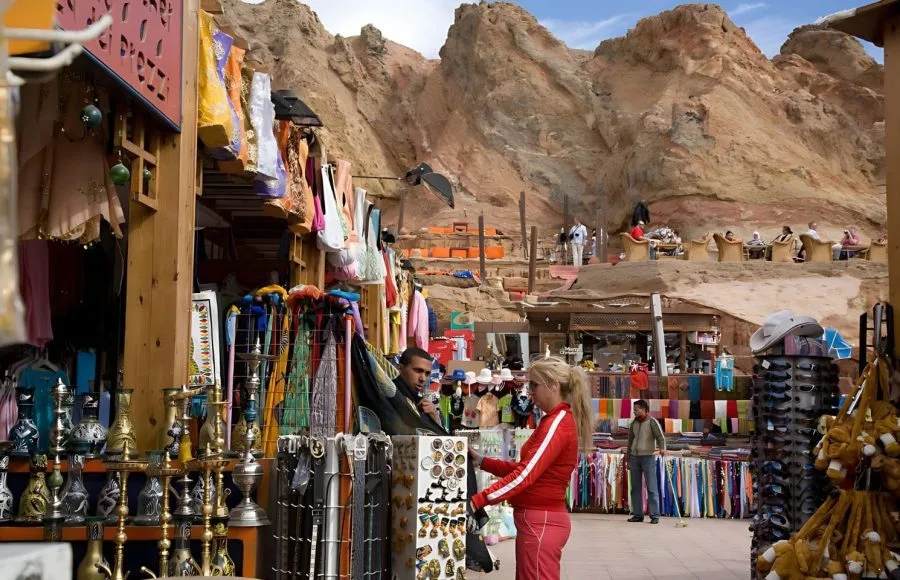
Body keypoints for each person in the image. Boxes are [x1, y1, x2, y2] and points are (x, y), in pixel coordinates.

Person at [468, 357, 593, 580]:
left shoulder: (557, 422)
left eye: (534, 384)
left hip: (541, 521)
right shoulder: (553, 420)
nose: (529, 391)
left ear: (553, 385)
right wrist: (483, 461)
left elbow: (525, 474)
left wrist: (479, 500)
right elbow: (528, 469)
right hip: (539, 521)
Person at [626, 399, 666, 524]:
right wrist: (628, 458)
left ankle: (654, 515)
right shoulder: (634, 423)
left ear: (643, 409)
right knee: (635, 488)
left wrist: (662, 448)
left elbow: (660, 437)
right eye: (634, 409)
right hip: (634, 457)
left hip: (648, 457)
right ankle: (638, 514)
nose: (634, 411)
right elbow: (630, 441)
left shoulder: (652, 422)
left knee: (651, 487)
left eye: (636, 409)